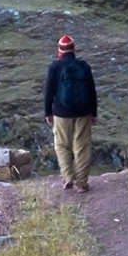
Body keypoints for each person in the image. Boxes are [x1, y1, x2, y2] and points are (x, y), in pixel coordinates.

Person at [44, 35, 97, 193]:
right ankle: (81, 183)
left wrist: (48, 112)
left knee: (62, 145)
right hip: (83, 112)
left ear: (59, 51)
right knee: (82, 146)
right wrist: (93, 113)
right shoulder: (84, 66)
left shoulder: (55, 67)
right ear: (74, 49)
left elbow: (48, 92)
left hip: (61, 113)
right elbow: (92, 91)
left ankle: (68, 177)